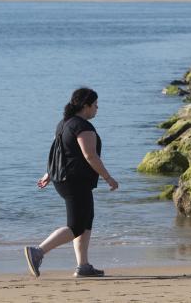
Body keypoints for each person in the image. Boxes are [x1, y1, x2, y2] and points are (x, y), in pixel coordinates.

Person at [24, 87, 119, 278]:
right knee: (75, 225)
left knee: (86, 221)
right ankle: (38, 252)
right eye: (95, 105)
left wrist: (49, 174)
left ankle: (83, 266)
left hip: (65, 179)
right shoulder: (83, 127)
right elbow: (90, 155)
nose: (97, 109)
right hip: (75, 181)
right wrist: (108, 177)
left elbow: (60, 152)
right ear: (86, 106)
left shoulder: (64, 124)